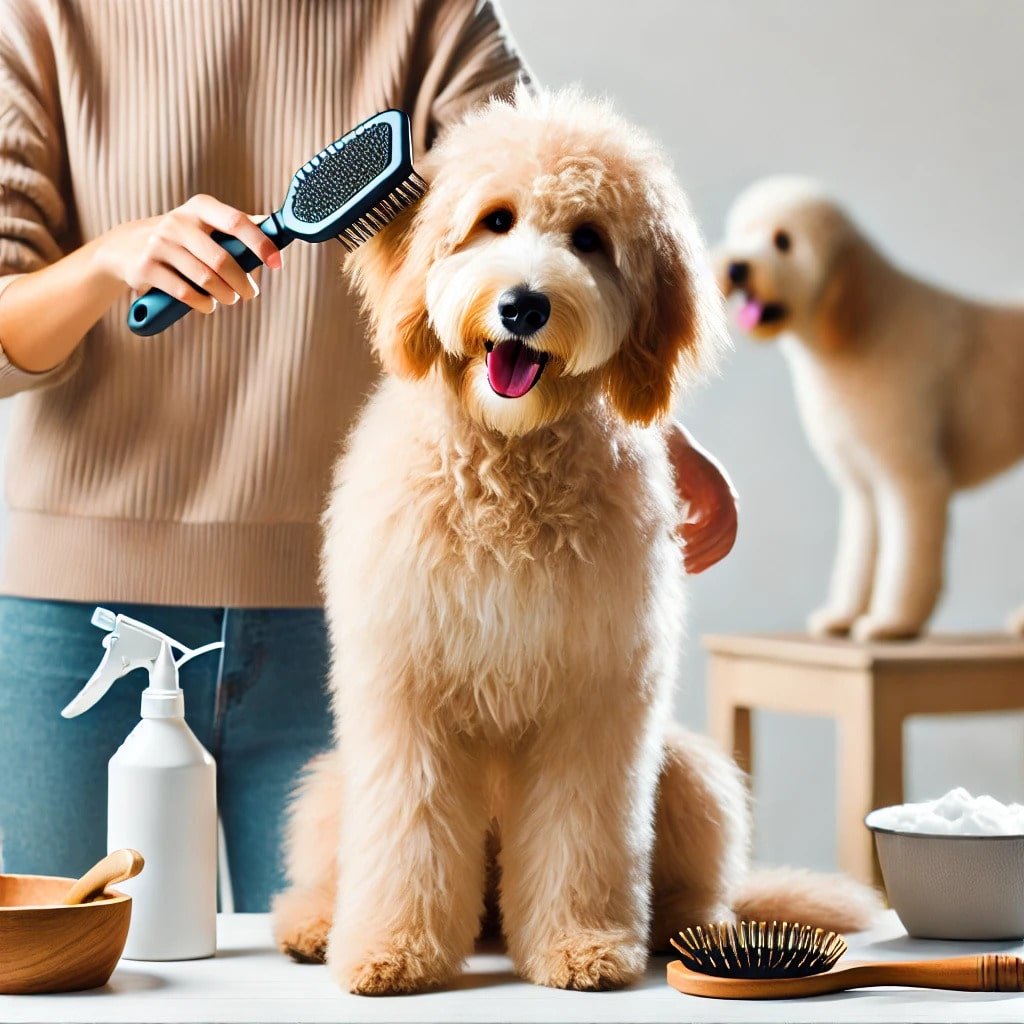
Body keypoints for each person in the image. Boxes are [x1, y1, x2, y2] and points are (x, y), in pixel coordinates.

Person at [0, 0, 737, 911]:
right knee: (57, 978)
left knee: (374, 968)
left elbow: (547, 221)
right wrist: (110, 261)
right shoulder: (40, 19)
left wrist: (659, 425)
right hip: (77, 620)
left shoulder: (429, 15)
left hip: (352, 605)